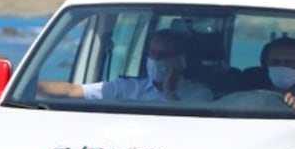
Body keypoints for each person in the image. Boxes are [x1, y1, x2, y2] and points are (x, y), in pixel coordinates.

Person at [37, 29, 213, 102]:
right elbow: (72, 91)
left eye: (164, 55)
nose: (156, 59)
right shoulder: (128, 88)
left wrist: (170, 88)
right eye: (152, 53)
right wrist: (31, 86)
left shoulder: (200, 94)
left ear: (179, 59)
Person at [254, 36, 295, 111]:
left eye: (290, 62)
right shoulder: (256, 98)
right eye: (275, 62)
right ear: (266, 65)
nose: (282, 66)